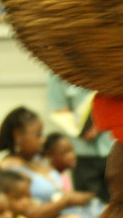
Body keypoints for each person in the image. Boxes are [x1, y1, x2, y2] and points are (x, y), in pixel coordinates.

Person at [0, 106, 101, 218]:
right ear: (18, 135)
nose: (42, 140)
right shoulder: (10, 171)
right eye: (37, 135)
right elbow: (29, 215)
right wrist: (67, 201)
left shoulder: (38, 161)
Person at [47, 72, 112, 202]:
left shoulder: (107, 66)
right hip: (82, 153)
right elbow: (60, 109)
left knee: (119, 202)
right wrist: (82, 130)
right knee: (88, 203)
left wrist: (99, 126)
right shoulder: (58, 71)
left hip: (112, 148)